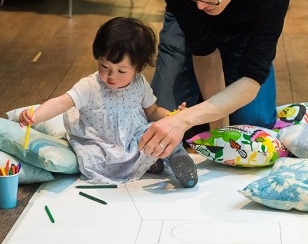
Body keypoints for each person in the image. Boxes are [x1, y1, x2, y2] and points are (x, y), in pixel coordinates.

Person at [141, 0, 291, 160]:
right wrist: (207, 124)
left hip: (244, 34)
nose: (200, 5)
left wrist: (195, 123)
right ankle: (203, 104)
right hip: (186, 31)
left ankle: (203, 104)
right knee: (160, 116)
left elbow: (252, 78)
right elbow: (204, 50)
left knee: (254, 123)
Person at [19, 17, 198, 187]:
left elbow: (152, 112)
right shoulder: (90, 86)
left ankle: (177, 159)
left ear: (138, 68)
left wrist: (173, 117)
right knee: (90, 157)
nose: (111, 76)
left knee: (157, 134)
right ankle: (150, 163)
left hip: (135, 139)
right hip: (101, 143)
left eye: (121, 71)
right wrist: (35, 116)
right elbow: (61, 103)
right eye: (104, 66)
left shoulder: (139, 83)